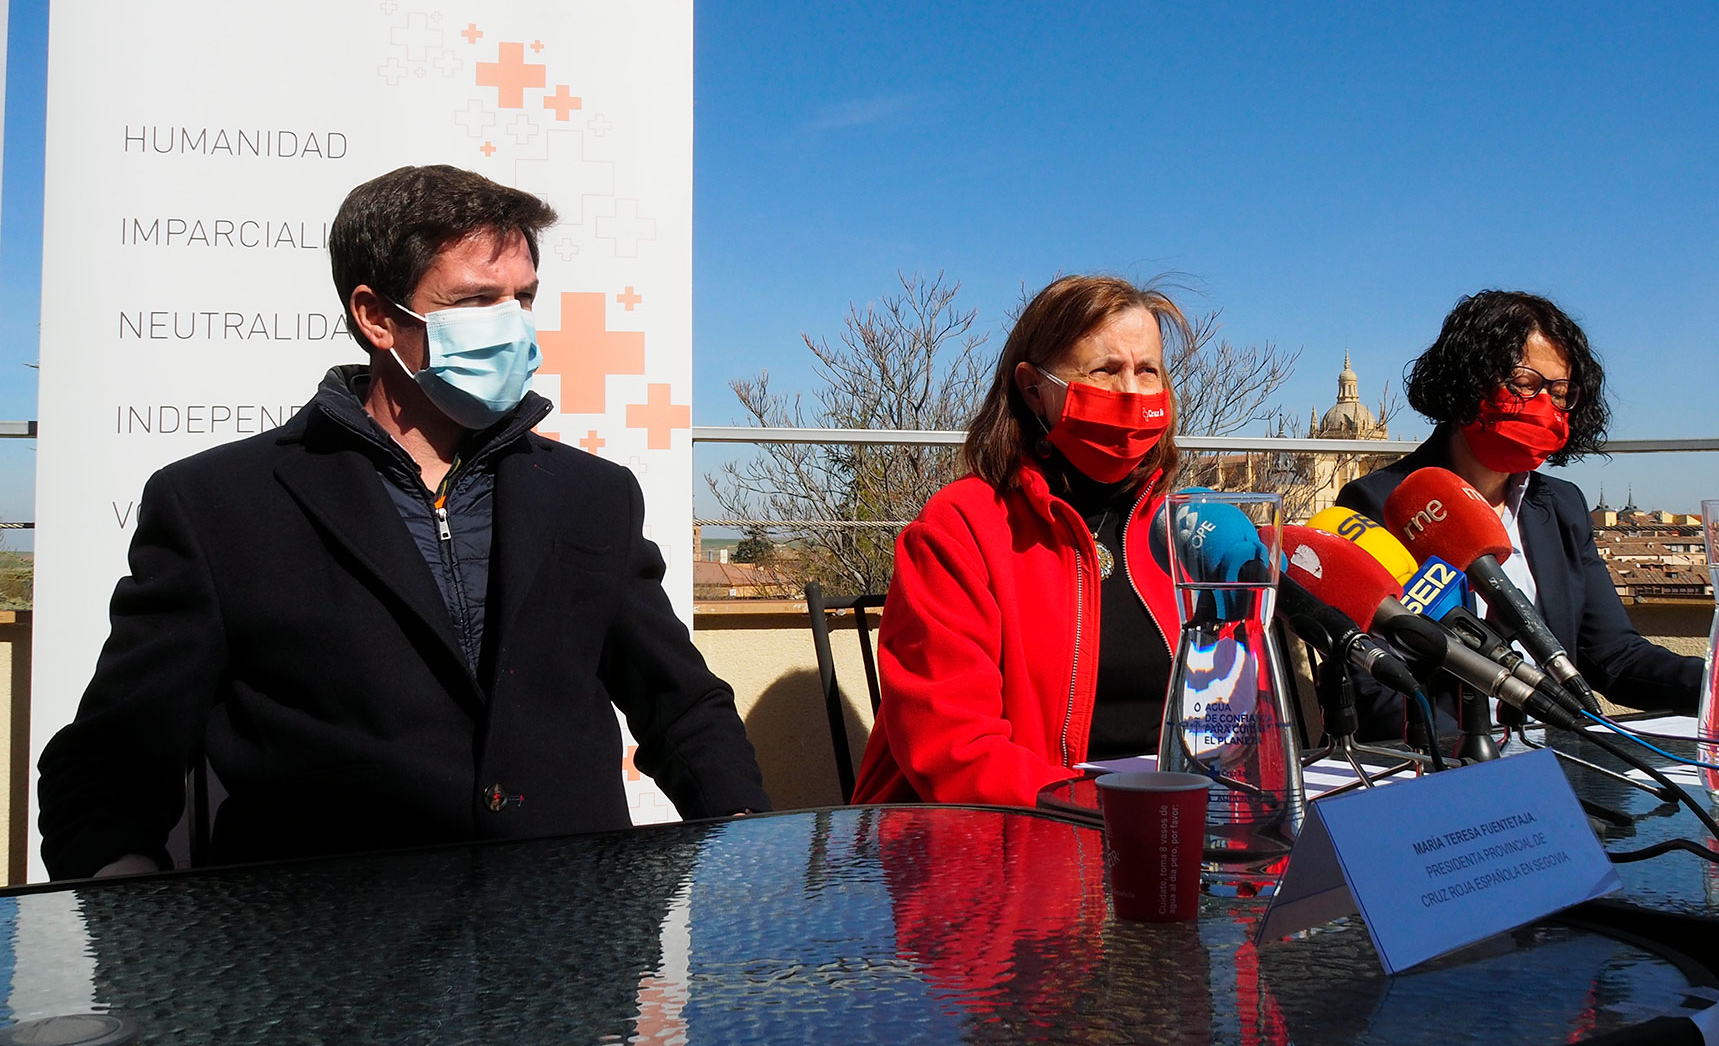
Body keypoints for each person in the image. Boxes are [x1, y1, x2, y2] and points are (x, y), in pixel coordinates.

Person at [39, 165, 768, 879]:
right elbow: (109, 759)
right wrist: (122, 892)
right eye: (478, 301)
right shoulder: (219, 505)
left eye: (524, 298)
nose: (512, 327)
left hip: (568, 954)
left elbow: (682, 706)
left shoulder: (593, 495)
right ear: (377, 316)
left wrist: (748, 846)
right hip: (328, 974)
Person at [851, 276, 1186, 806]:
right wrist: (1112, 807)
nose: (1133, 393)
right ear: (1034, 389)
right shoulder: (960, 528)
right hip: (1003, 838)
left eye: (1148, 371)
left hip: (1163, 831)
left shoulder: (1182, 531)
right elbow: (956, 752)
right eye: (1105, 370)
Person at [1338, 289, 1703, 739]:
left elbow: (1616, 659)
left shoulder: (1562, 506)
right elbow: (1378, 689)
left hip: (1554, 757)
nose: (1544, 405)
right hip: (1436, 767)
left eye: (1561, 391)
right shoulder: (1380, 505)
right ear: (1467, 381)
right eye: (1524, 384)